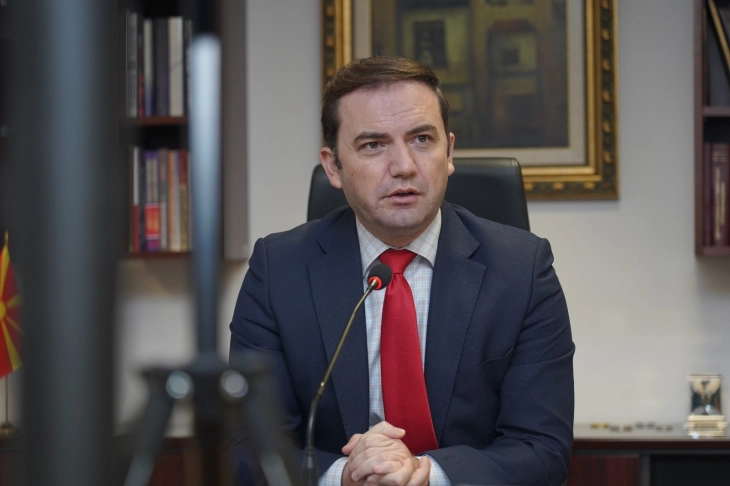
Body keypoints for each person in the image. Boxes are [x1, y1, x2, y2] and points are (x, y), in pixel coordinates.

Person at [229, 56, 574, 486]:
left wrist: (428, 475)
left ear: (449, 152)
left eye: (421, 139)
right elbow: (247, 448)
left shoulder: (522, 270)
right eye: (374, 145)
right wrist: (344, 475)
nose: (404, 166)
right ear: (333, 166)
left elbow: (542, 449)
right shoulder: (278, 272)